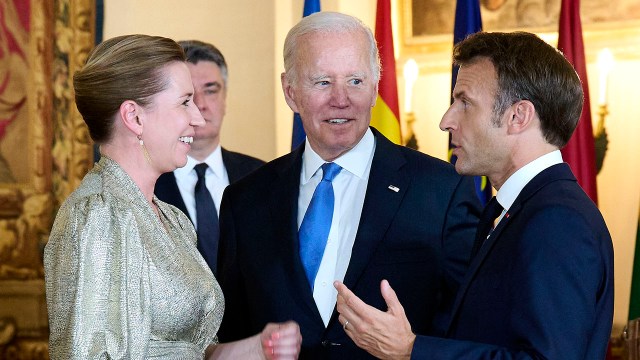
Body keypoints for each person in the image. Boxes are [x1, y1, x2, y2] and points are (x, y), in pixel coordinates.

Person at [216, 12, 482, 358]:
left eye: (355, 81)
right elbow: (234, 332)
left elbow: (471, 326)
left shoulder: (442, 190)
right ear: (290, 91)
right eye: (323, 82)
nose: (341, 99)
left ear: (375, 87)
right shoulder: (245, 200)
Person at [334, 31, 614, 359]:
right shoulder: (518, 211)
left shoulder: (557, 220)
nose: (445, 121)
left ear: (517, 116)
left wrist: (411, 349)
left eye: (464, 102)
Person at [44, 34, 301, 359]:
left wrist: (259, 348)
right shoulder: (98, 215)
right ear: (134, 117)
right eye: (184, 102)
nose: (197, 116)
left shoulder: (173, 219)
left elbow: (189, 351)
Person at [155, 40, 264, 274]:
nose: (201, 105)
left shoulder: (262, 176)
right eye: (188, 97)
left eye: (211, 90)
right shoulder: (147, 185)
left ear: (225, 97)